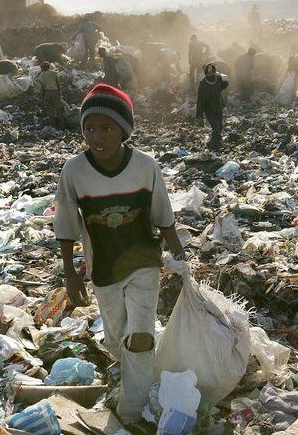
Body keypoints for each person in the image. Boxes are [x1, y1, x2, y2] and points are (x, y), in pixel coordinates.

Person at [53, 83, 185, 430]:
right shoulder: (74, 171)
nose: (97, 136)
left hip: (144, 262)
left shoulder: (145, 167)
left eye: (107, 128)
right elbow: (66, 224)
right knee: (117, 338)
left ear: (124, 131)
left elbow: (163, 215)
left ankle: (130, 414)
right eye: (89, 128)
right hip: (104, 268)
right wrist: (70, 274)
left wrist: (180, 259)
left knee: (140, 338)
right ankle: (125, 366)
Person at [196, 63, 229, 151]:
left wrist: (226, 81)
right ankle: (213, 146)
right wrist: (199, 116)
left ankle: (216, 144)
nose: (210, 74)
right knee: (216, 128)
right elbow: (199, 101)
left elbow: (223, 86)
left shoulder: (218, 79)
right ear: (206, 73)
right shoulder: (203, 85)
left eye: (212, 72)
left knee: (220, 127)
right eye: (208, 72)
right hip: (209, 110)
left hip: (218, 107)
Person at [37, 61, 65, 128]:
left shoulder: (41, 76)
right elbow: (58, 84)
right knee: (58, 108)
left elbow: (42, 88)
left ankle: (53, 126)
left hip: (47, 92)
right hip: (55, 92)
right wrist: (59, 93)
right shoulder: (54, 73)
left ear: (42, 68)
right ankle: (62, 125)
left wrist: (41, 97)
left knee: (49, 109)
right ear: (49, 67)